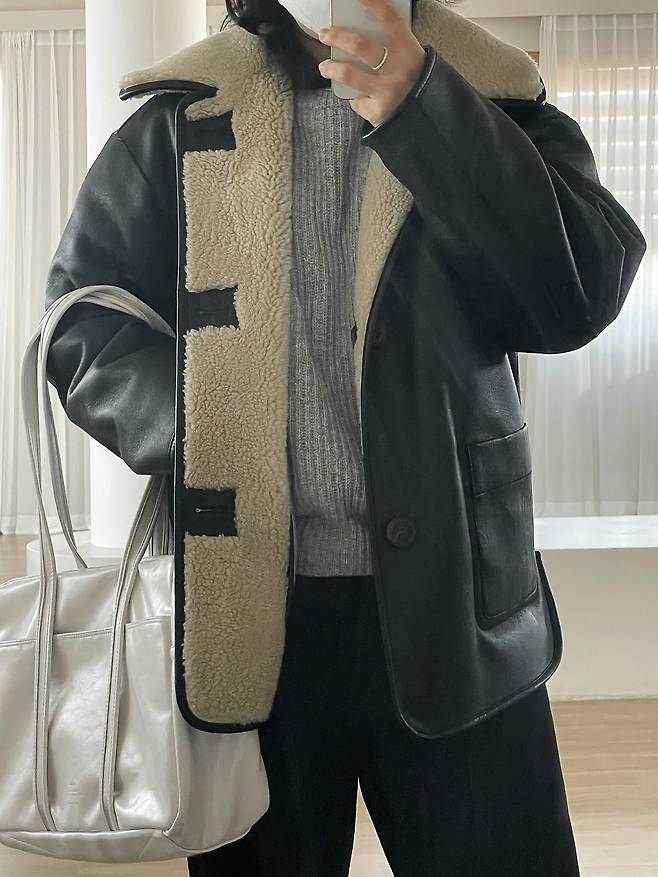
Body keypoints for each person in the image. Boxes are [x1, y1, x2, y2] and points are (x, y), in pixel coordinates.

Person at [44, 0, 647, 874]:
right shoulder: (181, 114)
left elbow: (575, 297)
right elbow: (81, 323)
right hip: (250, 617)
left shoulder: (495, 97)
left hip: (460, 607)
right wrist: (211, 425)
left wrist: (428, 107)